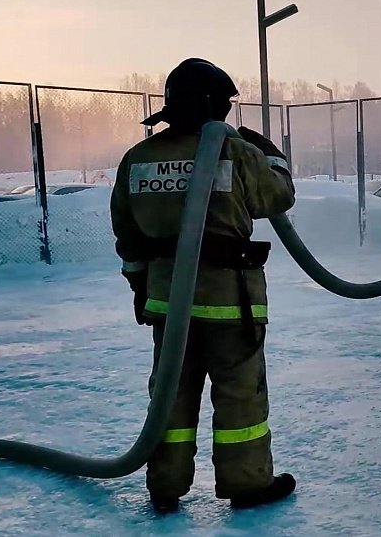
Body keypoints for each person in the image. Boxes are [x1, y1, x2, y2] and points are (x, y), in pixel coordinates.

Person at [109, 58, 297, 513]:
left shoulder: (138, 158)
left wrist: (140, 286)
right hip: (229, 302)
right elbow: (278, 196)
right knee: (239, 394)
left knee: (170, 393)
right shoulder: (234, 151)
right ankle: (248, 482)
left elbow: (127, 232)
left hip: (167, 301)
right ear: (218, 106)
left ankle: (165, 482)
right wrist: (270, 155)